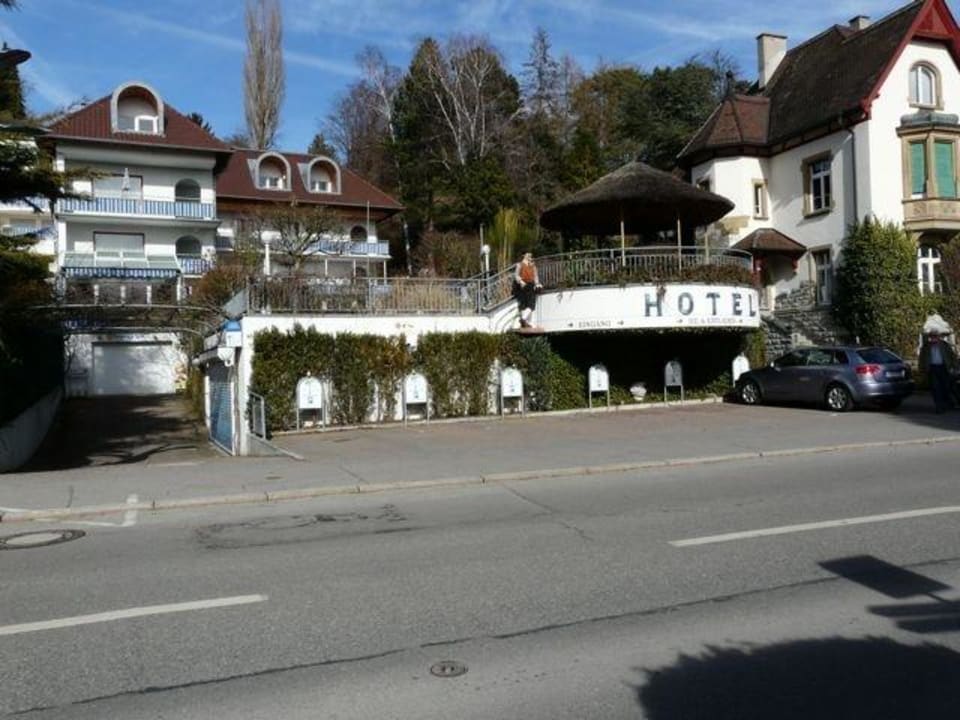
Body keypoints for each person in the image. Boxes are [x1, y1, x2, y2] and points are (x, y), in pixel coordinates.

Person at [919, 330, 957, 413]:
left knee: (945, 387)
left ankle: (948, 404)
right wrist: (922, 370)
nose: (933, 338)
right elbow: (922, 359)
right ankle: (939, 407)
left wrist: (954, 367)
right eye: (932, 337)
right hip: (932, 369)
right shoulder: (926, 346)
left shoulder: (944, 345)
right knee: (936, 388)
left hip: (943, 368)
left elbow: (952, 356)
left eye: (935, 336)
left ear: (938, 337)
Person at [513, 252, 542, 328]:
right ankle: (525, 321)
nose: (530, 255)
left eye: (530, 255)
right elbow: (516, 275)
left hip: (530, 285)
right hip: (522, 286)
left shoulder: (533, 266)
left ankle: (525, 320)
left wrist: (537, 284)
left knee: (531, 305)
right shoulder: (519, 265)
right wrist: (520, 281)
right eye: (528, 254)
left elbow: (535, 276)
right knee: (524, 304)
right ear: (524, 256)